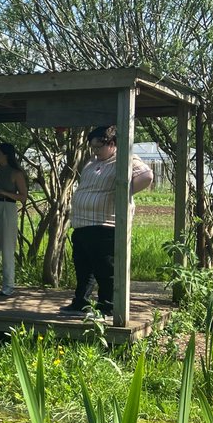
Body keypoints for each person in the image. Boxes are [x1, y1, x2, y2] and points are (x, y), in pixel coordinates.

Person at [61, 125, 154, 316]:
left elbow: (146, 175)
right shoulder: (93, 162)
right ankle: (81, 303)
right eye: (92, 147)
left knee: (105, 269)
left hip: (105, 226)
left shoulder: (124, 159)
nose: (95, 151)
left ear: (111, 143)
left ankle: (107, 306)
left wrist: (123, 193)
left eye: (98, 147)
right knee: (83, 268)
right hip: (83, 225)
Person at [0, 142, 28, 296]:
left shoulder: (16, 173)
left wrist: (4, 192)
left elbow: (23, 197)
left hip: (8, 208)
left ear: (6, 155)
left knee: (8, 248)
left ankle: (8, 286)